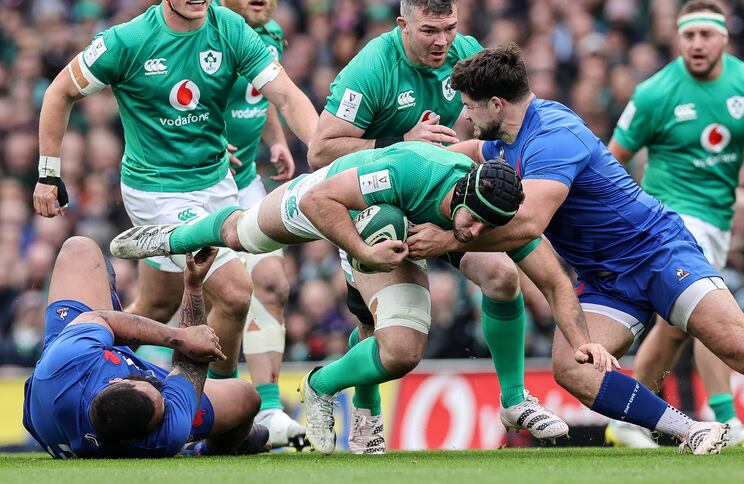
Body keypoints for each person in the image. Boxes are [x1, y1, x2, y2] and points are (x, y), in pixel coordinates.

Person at [408, 43, 744, 455]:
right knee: (572, 369)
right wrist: (415, 155)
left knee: (743, 349)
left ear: (496, 103)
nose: (465, 116)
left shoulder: (553, 136)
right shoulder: (508, 135)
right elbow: (472, 151)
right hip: (607, 281)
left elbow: (529, 224)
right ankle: (692, 431)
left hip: (657, 255)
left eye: (470, 106)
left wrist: (448, 239)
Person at [110, 141, 620, 454]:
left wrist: (584, 344)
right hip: (349, 205)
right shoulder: (412, 172)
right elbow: (318, 199)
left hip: (411, 228)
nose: (480, 229)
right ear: (459, 194)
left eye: (492, 225)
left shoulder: (494, 216)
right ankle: (165, 237)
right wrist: (364, 253)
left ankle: (512, 401)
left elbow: (555, 282)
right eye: (474, 219)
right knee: (244, 232)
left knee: (499, 281)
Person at [32, 0, 318, 393]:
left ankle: (85, 374)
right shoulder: (129, 41)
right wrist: (48, 173)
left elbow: (285, 96)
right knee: (235, 292)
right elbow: (59, 91)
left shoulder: (229, 28)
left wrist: (323, 154)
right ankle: (217, 410)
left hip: (218, 183)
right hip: (157, 192)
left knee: (156, 306)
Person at [307, 0, 542, 453]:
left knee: (501, 275)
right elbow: (319, 152)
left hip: (433, 193)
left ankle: (514, 400)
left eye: (449, 28)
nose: (442, 41)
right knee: (387, 337)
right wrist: (401, 142)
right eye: (430, 30)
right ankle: (352, 402)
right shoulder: (372, 67)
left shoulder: (464, 53)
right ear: (403, 25)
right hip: (369, 199)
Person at [606, 0, 744, 448]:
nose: (696, 44)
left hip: (717, 219)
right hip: (667, 217)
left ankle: (632, 418)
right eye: (688, 35)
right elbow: (610, 160)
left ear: (724, 37)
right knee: (698, 314)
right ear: (678, 38)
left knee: (681, 326)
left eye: (705, 35)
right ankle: (717, 418)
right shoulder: (655, 93)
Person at [23, 237, 266, 458]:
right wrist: (193, 287)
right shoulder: (166, 436)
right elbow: (189, 368)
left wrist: (177, 336)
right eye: (163, 400)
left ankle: (118, 313)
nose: (162, 391)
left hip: (55, 385)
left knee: (79, 249)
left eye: (154, 390)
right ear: (146, 432)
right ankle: (205, 449)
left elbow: (102, 318)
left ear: (115, 381)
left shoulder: (66, 363)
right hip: (78, 406)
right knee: (245, 398)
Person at [216, 0, 305, 449]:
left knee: (272, 283)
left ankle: (267, 407)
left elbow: (264, 91)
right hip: (199, 184)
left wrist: (278, 141)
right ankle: (220, 405)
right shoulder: (205, 28)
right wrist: (208, 139)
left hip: (247, 180)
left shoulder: (268, 31)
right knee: (212, 297)